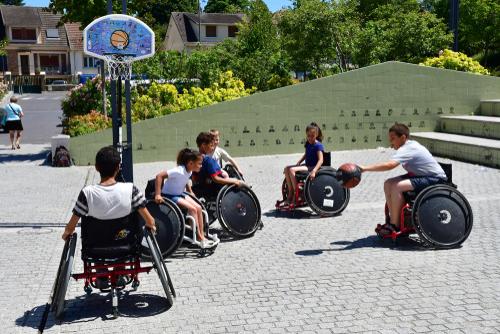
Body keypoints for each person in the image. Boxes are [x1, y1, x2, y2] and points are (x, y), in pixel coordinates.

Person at [358, 123, 447, 235]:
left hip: (435, 178)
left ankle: (395, 226)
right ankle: (392, 220)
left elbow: (389, 165)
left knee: (397, 187)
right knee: (388, 183)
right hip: (419, 175)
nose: (390, 141)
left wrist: (365, 168)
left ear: (403, 137)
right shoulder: (407, 146)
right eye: (390, 138)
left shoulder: (408, 148)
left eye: (393, 138)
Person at [62, 146, 156, 241]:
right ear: (118, 167)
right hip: (127, 249)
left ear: (96, 167)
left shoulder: (87, 193)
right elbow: (150, 221)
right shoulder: (131, 190)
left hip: (94, 250)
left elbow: (70, 227)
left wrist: (67, 233)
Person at [153, 148, 214, 248]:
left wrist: (190, 191)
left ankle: (202, 235)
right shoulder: (178, 170)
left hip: (179, 193)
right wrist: (158, 194)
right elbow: (159, 176)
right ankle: (199, 238)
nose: (201, 166)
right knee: (193, 209)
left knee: (199, 207)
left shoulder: (189, 171)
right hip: (169, 196)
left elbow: (185, 180)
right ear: (190, 163)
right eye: (199, 163)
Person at [283, 122, 324, 204]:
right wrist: (299, 161)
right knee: (286, 168)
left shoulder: (318, 145)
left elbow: (321, 160)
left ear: (316, 135)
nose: (310, 138)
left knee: (291, 170)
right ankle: (290, 192)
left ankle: (295, 193)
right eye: (308, 136)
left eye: (312, 136)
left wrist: (314, 171)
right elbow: (306, 154)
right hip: (307, 165)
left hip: (313, 167)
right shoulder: (308, 144)